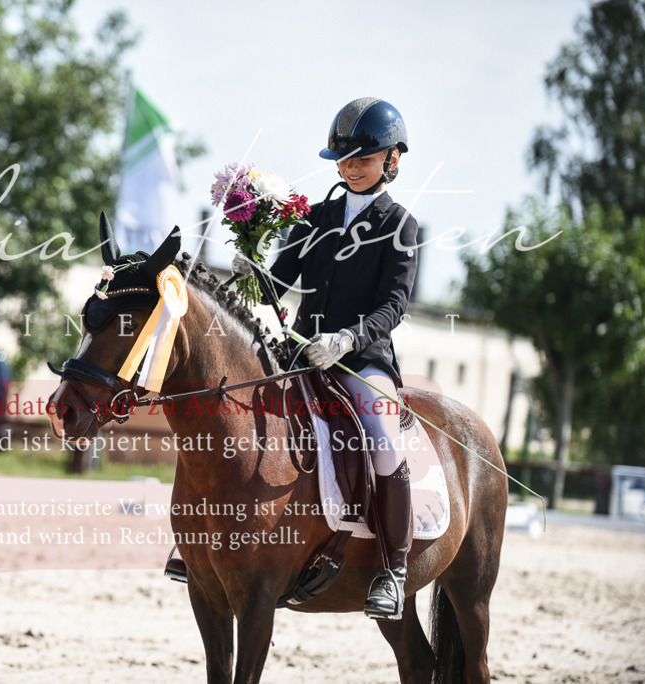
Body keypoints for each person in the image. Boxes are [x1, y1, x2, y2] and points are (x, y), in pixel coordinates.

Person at [235, 97, 417, 620]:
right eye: (343, 160)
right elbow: (283, 279)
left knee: (382, 440)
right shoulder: (315, 216)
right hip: (300, 352)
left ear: (392, 160)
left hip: (363, 360)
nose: (350, 168)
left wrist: (347, 338)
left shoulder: (401, 224)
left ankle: (394, 567)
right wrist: (255, 271)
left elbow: (395, 305)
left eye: (362, 158)